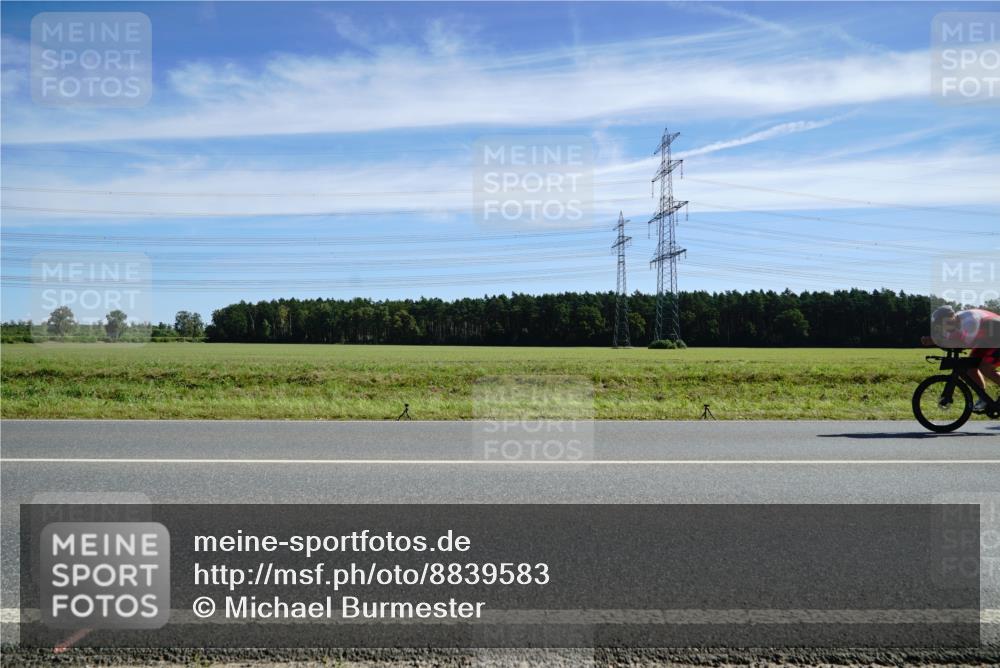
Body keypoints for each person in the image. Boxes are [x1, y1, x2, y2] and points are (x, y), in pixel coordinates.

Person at [922, 305, 1000, 412]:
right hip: (987, 340)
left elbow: (960, 343)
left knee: (985, 368)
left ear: (951, 317)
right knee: (971, 368)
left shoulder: (969, 322)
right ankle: (983, 398)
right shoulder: (953, 324)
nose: (943, 327)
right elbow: (950, 341)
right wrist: (933, 340)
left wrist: (934, 341)